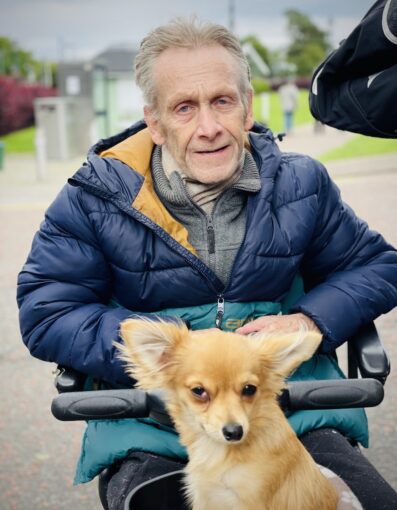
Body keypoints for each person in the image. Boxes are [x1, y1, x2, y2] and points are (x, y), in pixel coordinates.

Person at [17, 18, 397, 510]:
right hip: (153, 427)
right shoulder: (92, 198)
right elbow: (47, 311)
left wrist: (309, 319)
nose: (209, 127)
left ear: (247, 107)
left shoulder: (303, 183)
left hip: (290, 415)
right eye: (184, 108)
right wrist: (171, 352)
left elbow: (378, 266)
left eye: (222, 101)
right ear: (154, 121)